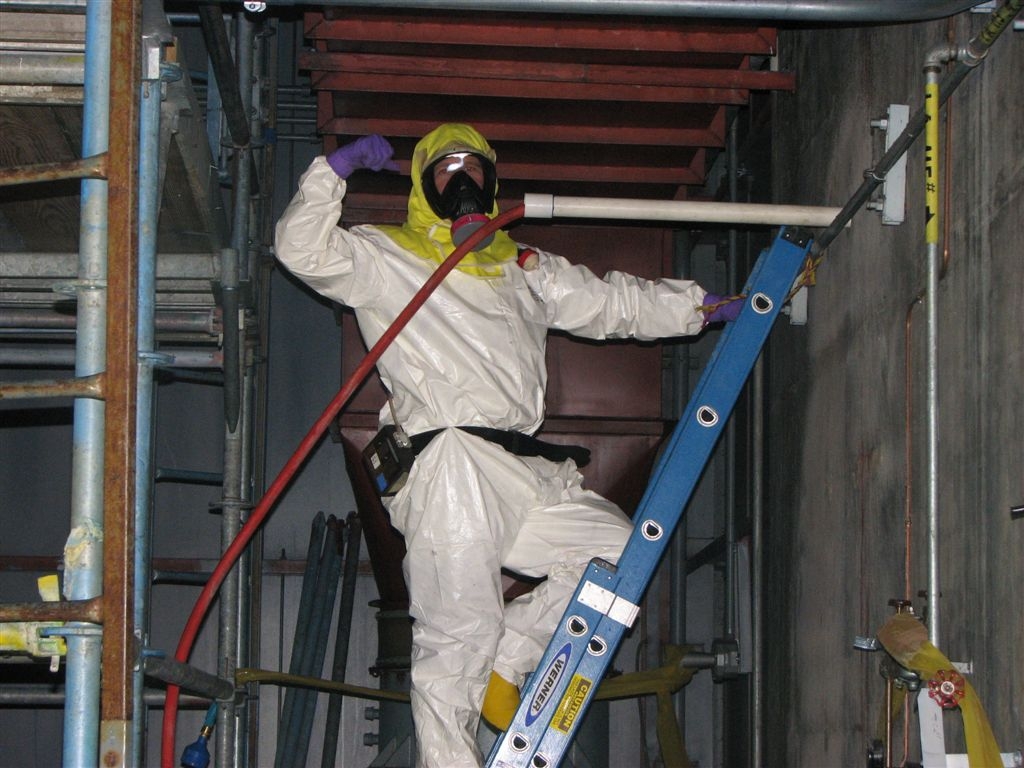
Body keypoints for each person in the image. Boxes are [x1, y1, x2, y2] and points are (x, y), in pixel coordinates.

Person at [274, 123, 741, 767]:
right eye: (444, 169)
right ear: (422, 186)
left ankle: (513, 661)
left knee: (620, 553)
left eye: (472, 167)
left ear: (492, 182)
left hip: (523, 468)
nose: (460, 180)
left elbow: (610, 305)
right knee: (456, 641)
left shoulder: (520, 268)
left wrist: (699, 309)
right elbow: (300, 250)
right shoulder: (386, 257)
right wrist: (334, 170)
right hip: (452, 465)